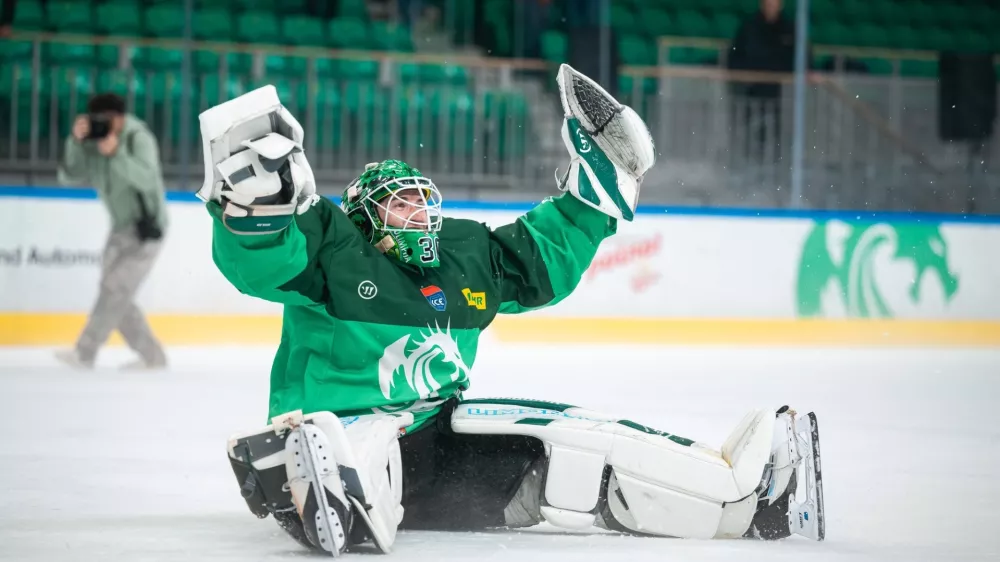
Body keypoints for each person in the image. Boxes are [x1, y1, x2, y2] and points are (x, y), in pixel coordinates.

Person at [199, 66, 824, 555]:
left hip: (438, 437)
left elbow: (539, 260)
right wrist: (255, 208)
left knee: (578, 440)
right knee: (355, 445)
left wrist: (598, 193)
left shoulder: (465, 259)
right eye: (401, 206)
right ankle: (329, 494)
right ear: (366, 217)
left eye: (424, 202)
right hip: (341, 427)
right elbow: (263, 260)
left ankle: (745, 500)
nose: (421, 216)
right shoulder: (333, 247)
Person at [54, 93, 169, 370]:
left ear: (120, 118)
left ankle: (85, 352)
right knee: (116, 297)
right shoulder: (91, 140)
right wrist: (75, 141)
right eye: (97, 120)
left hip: (147, 230)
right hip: (119, 230)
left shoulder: (138, 138)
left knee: (114, 290)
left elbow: (147, 178)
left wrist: (117, 153)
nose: (103, 125)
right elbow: (68, 176)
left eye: (107, 120)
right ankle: (154, 358)